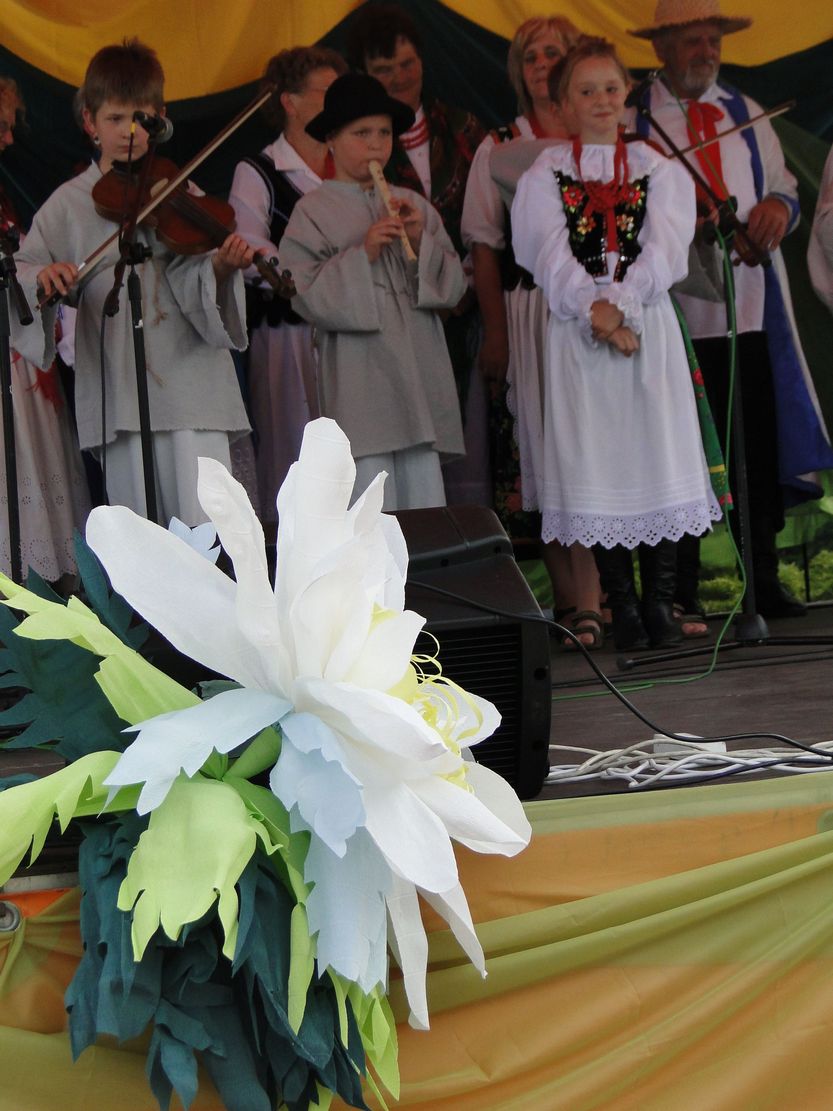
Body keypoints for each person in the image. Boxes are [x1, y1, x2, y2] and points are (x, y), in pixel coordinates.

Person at [511, 38, 722, 650]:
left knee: (656, 450)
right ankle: (621, 606)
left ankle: (658, 602)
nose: (601, 100)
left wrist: (621, 306)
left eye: (610, 88)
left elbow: (666, 250)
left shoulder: (658, 169)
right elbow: (546, 252)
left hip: (645, 325)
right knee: (597, 456)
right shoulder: (545, 173)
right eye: (586, 91)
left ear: (626, 92)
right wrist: (594, 309)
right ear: (563, 104)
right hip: (577, 329)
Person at [628, 0, 833, 620]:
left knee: (755, 443)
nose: (706, 52)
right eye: (693, 40)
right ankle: (678, 589)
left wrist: (776, 209)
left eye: (712, 40)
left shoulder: (745, 112)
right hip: (676, 311)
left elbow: (784, 187)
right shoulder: (636, 118)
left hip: (748, 307)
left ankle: (761, 577)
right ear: (661, 48)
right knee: (682, 445)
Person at [12, 39, 252, 527]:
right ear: (90, 122)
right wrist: (45, 277)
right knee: (140, 532)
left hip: (193, 385)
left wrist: (221, 270)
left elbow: (199, 275)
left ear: (161, 118)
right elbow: (23, 269)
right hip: (120, 392)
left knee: (206, 524)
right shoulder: (69, 203)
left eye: (141, 119)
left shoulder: (181, 191)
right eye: (115, 118)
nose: (129, 132)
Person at [462, 16, 608, 651]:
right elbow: (484, 246)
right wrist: (496, 335)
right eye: (531, 56)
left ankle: (604, 596)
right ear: (518, 71)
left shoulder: (600, 139)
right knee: (542, 453)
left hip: (595, 314)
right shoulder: (500, 145)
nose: (543, 64)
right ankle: (575, 600)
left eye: (555, 52)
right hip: (530, 311)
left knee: (594, 448)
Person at [279, 73, 465, 511]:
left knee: (424, 503)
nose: (376, 145)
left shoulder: (414, 205)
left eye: (383, 133)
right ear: (331, 140)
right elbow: (302, 291)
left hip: (418, 370)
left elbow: (454, 287)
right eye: (361, 134)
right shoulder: (312, 210)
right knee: (367, 497)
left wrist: (420, 241)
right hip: (361, 378)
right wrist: (361, 254)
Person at [345, 3, 487, 503]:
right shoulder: (359, 156)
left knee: (464, 429)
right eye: (385, 69)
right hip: (406, 311)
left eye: (407, 63)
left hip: (467, 300)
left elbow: (488, 220)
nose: (400, 76)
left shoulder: (464, 126)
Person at [228, 46, 346, 525]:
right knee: (293, 452)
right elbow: (251, 248)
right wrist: (312, 278)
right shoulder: (258, 171)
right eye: (327, 91)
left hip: (346, 331)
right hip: (287, 337)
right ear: (289, 102)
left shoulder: (351, 164)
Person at [0, 76, 90, 586]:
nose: (9, 139)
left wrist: (40, 277)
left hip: (20, 355)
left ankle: (43, 583)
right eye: (1, 127)